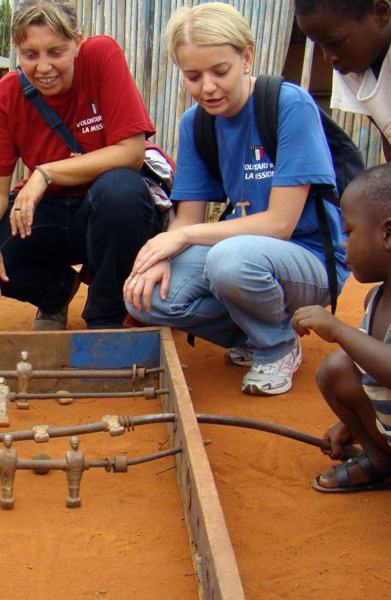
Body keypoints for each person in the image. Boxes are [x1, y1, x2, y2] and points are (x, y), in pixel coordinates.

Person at [124, 2, 347, 396]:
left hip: (308, 260)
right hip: (245, 258)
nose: (206, 87)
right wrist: (162, 254)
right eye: (192, 76)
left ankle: (278, 347)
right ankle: (257, 332)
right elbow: (188, 217)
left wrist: (182, 238)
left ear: (247, 57)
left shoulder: (288, 105)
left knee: (230, 259)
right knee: (144, 296)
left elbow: (280, 224)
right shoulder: (197, 123)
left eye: (219, 71)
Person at [0, 0, 161, 331]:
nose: (44, 67)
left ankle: (106, 318)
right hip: (46, 216)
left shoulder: (102, 55)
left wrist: (46, 172)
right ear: (17, 50)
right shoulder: (7, 94)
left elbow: (131, 152)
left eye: (56, 52)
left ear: (77, 42)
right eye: (31, 55)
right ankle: (55, 292)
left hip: (103, 212)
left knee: (120, 190)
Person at [293, 165, 391, 491]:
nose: (342, 243)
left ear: (388, 235)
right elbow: (368, 369)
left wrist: (337, 330)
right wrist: (351, 425)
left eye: (349, 232)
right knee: (338, 368)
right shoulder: (376, 298)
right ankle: (381, 457)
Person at [295, 0, 391, 162]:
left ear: (380, 13)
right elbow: (387, 131)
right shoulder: (354, 66)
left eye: (335, 43)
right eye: (320, 45)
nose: (328, 57)